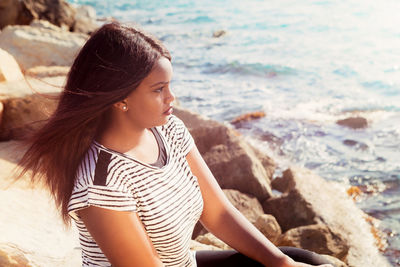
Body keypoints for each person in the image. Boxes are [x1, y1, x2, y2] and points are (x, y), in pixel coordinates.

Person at [18, 22, 334, 267]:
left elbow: (218, 213)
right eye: (159, 89)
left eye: (170, 86)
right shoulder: (103, 183)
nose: (172, 98)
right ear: (120, 99)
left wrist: (280, 262)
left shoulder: (169, 130)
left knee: (305, 261)